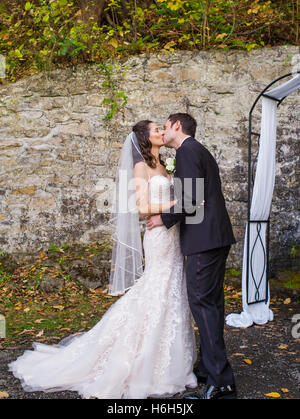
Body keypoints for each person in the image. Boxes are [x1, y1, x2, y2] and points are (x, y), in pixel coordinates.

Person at [8, 120, 198, 399]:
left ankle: (171, 364)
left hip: (174, 237)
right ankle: (135, 361)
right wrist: (176, 205)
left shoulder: (166, 165)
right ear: (145, 138)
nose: (161, 131)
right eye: (156, 129)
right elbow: (142, 207)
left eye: (161, 128)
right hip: (159, 238)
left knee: (174, 292)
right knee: (156, 289)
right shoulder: (140, 168)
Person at [147, 113, 237, 399]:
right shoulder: (198, 150)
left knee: (203, 305)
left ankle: (221, 382)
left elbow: (190, 200)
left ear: (177, 126)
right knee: (212, 305)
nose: (163, 131)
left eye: (165, 126)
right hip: (215, 237)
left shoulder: (187, 151)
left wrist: (162, 218)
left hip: (203, 240)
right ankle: (208, 368)